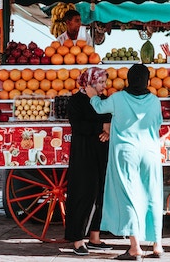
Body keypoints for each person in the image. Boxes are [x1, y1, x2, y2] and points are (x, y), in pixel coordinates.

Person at [86, 63, 164, 261]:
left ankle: (135, 247)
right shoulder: (154, 100)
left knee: (129, 196)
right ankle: (157, 245)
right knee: (153, 195)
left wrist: (92, 95)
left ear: (129, 79)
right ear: (146, 80)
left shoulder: (118, 98)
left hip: (126, 153)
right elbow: (158, 123)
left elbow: (99, 108)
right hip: (150, 153)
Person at [64, 67, 113, 256]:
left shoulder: (103, 101)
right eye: (100, 82)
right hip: (83, 153)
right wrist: (102, 127)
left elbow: (110, 119)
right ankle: (77, 240)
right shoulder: (75, 101)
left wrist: (107, 132)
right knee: (83, 193)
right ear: (89, 83)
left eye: (104, 82)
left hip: (101, 151)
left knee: (101, 193)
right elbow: (78, 125)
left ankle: (94, 237)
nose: (104, 86)